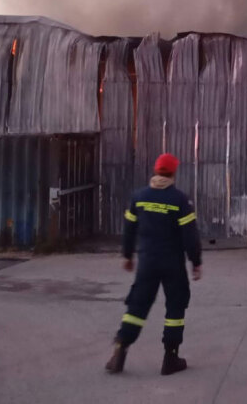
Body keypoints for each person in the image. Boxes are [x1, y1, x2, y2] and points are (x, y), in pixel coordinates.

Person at [105, 153, 202, 376]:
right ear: (173, 172)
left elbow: (129, 230)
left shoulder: (139, 197)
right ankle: (171, 358)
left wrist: (127, 256)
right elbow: (190, 236)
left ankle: (120, 350)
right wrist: (195, 262)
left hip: (147, 262)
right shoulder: (179, 200)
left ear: (155, 170)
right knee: (175, 308)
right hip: (172, 264)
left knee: (137, 307)